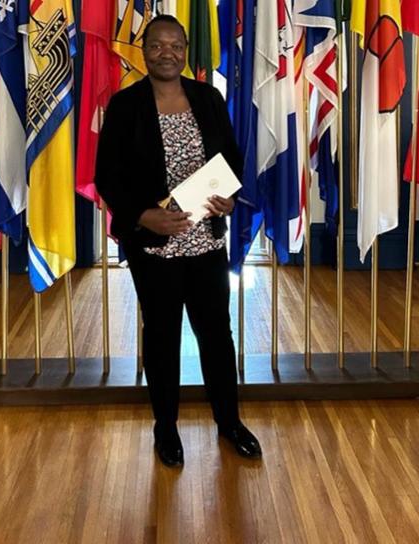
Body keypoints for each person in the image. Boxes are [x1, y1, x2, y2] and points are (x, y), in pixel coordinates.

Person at [95, 15, 261, 467]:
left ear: (186, 50)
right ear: (144, 50)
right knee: (163, 337)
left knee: (216, 336)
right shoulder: (125, 105)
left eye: (176, 45)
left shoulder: (207, 98)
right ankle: (165, 429)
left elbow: (230, 157)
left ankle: (229, 423)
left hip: (205, 243)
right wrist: (144, 216)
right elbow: (106, 176)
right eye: (157, 45)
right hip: (155, 249)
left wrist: (228, 195)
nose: (167, 53)